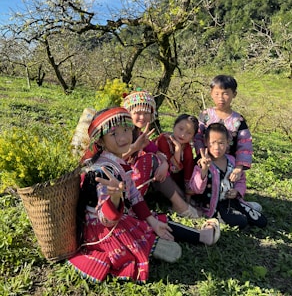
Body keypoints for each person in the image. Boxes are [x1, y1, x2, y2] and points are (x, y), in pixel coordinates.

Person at [69, 107, 220, 283]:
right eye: (113, 134)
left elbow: (134, 195)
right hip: (104, 230)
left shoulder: (115, 160)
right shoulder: (103, 172)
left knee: (154, 221)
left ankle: (167, 240)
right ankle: (160, 243)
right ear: (101, 142)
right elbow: (106, 219)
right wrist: (115, 198)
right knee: (145, 225)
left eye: (125, 130)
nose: (123, 138)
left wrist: (152, 221)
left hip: (120, 217)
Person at [122, 90, 200, 218]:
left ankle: (180, 204)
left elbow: (156, 152)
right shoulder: (122, 132)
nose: (142, 117)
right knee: (151, 160)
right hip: (119, 183)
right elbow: (112, 159)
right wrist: (134, 148)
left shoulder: (140, 134)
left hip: (137, 182)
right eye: (137, 113)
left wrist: (164, 163)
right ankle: (181, 207)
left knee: (157, 161)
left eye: (146, 113)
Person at [194, 74, 262, 212]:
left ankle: (235, 202)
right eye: (217, 93)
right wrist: (202, 156)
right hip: (206, 161)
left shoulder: (238, 120)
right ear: (211, 93)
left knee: (228, 189)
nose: (221, 98)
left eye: (225, 93)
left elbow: (245, 146)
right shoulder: (205, 115)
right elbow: (198, 138)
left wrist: (239, 167)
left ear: (234, 94)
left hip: (228, 164)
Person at [190, 123, 267, 229]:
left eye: (221, 143)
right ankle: (235, 213)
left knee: (262, 221)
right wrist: (204, 170)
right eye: (213, 143)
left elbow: (241, 180)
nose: (217, 147)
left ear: (227, 143)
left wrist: (237, 191)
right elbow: (196, 189)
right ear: (206, 142)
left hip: (232, 201)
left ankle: (243, 206)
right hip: (215, 206)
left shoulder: (231, 160)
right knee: (241, 222)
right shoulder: (202, 163)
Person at [155, 114, 199, 203]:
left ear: (193, 136)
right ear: (174, 126)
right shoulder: (163, 140)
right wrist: (178, 149)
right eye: (181, 129)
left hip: (177, 180)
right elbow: (171, 168)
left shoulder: (187, 148)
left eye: (189, 133)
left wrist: (188, 197)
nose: (183, 135)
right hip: (161, 178)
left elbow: (188, 170)